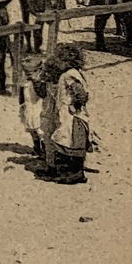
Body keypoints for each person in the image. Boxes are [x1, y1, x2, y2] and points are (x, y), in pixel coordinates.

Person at [39, 43, 94, 184]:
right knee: (69, 141)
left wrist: (75, 105)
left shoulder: (69, 75)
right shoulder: (72, 73)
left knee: (73, 142)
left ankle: (77, 173)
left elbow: (80, 92)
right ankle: (70, 171)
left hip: (72, 115)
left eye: (60, 61)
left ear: (67, 62)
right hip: (70, 114)